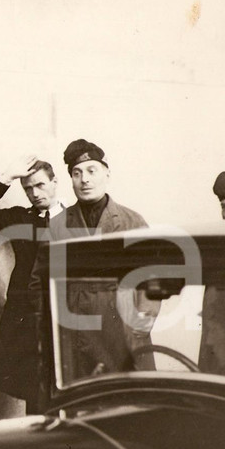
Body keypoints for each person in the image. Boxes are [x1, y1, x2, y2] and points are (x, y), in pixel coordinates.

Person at [32, 139, 159, 384]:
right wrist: (50, 333)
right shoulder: (58, 225)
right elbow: (39, 282)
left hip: (122, 336)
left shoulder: (131, 221)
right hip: (73, 339)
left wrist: (140, 326)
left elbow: (152, 277)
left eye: (92, 171)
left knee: (126, 408)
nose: (85, 180)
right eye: (77, 173)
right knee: (81, 407)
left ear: (107, 173)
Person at [0, 156, 64, 416]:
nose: (35, 193)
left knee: (65, 377)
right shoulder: (21, 218)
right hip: (26, 314)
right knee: (32, 385)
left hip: (64, 311)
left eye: (41, 185)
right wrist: (5, 178)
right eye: (28, 188)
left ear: (55, 183)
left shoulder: (75, 217)